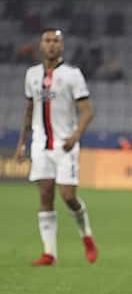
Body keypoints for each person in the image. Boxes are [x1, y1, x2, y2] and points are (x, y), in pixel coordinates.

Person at [14, 28, 97, 266]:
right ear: (41, 45)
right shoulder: (31, 75)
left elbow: (87, 111)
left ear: (62, 46)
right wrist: (22, 143)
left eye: (56, 41)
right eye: (47, 40)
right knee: (45, 194)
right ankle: (49, 253)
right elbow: (29, 110)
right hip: (40, 144)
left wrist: (76, 135)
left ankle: (87, 235)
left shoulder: (73, 75)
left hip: (65, 145)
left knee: (68, 196)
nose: (51, 45)